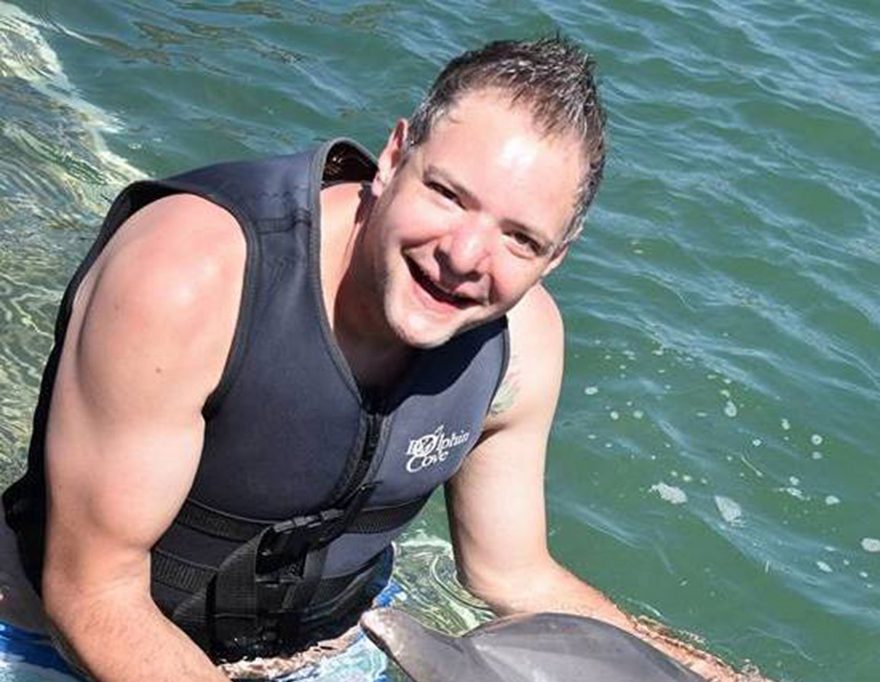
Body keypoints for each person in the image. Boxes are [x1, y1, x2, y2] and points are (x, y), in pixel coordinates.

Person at [0, 37, 745, 681]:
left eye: (520, 239)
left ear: (556, 257)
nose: (465, 257)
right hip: (60, 644)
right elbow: (92, 594)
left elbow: (513, 573)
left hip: (327, 650)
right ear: (393, 158)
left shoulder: (523, 342)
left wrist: (705, 673)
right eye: (448, 195)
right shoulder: (191, 278)